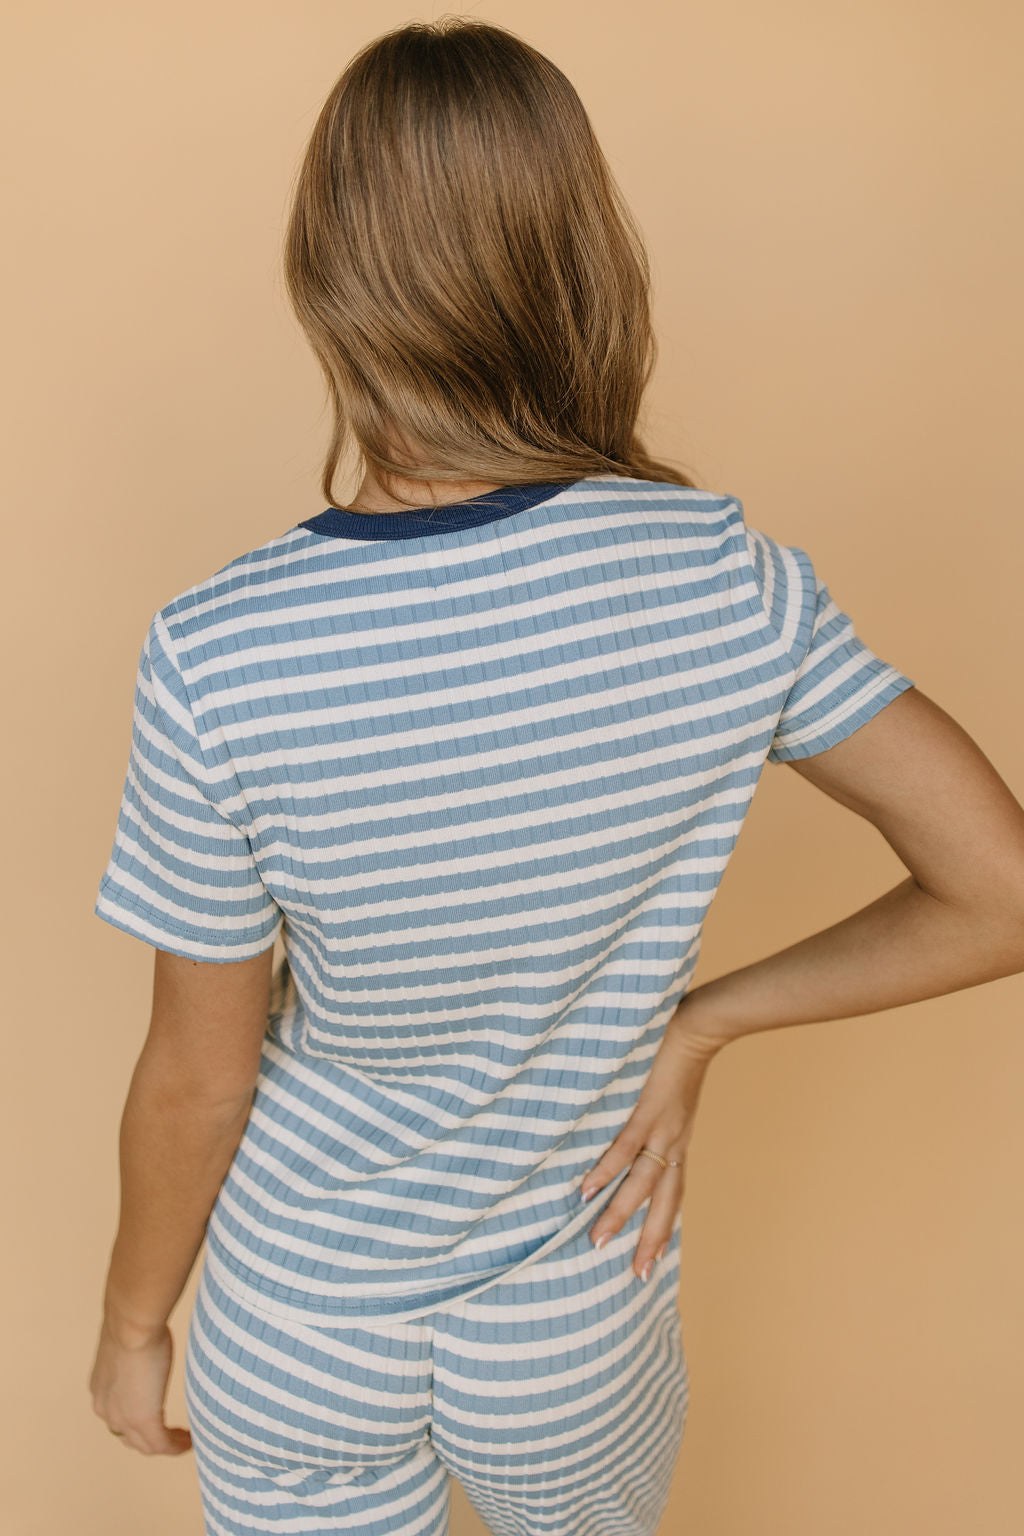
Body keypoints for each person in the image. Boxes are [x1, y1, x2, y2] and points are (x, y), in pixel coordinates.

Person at [86, 17, 1024, 1536]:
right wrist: (704, 1020)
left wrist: (136, 1323)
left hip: (301, 1311)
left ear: (327, 277)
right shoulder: (723, 580)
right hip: (575, 1307)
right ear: (579, 262)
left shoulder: (219, 650)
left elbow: (203, 1075)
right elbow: (1003, 891)